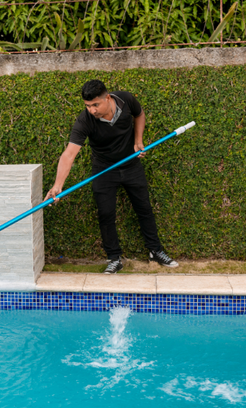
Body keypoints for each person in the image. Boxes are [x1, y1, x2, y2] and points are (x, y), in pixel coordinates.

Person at [43, 79, 178, 274]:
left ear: (107, 98)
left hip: (131, 165)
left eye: (95, 105)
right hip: (104, 170)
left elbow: (139, 115)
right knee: (106, 214)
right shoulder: (85, 120)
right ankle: (114, 258)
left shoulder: (125, 99)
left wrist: (138, 141)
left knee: (144, 209)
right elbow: (69, 154)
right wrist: (58, 186)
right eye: (88, 106)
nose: (92, 110)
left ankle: (155, 250)